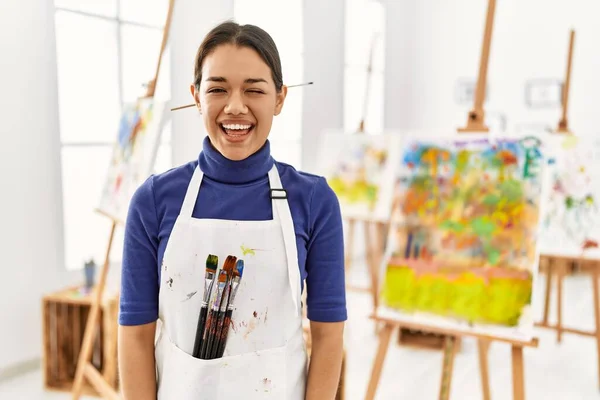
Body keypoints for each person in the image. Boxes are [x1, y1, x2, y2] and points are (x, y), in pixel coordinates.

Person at [117, 20, 347, 399]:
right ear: (196, 96)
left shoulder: (314, 200)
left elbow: (328, 335)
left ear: (279, 98)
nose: (235, 106)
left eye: (254, 90)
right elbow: (135, 336)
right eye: (217, 89)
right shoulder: (154, 200)